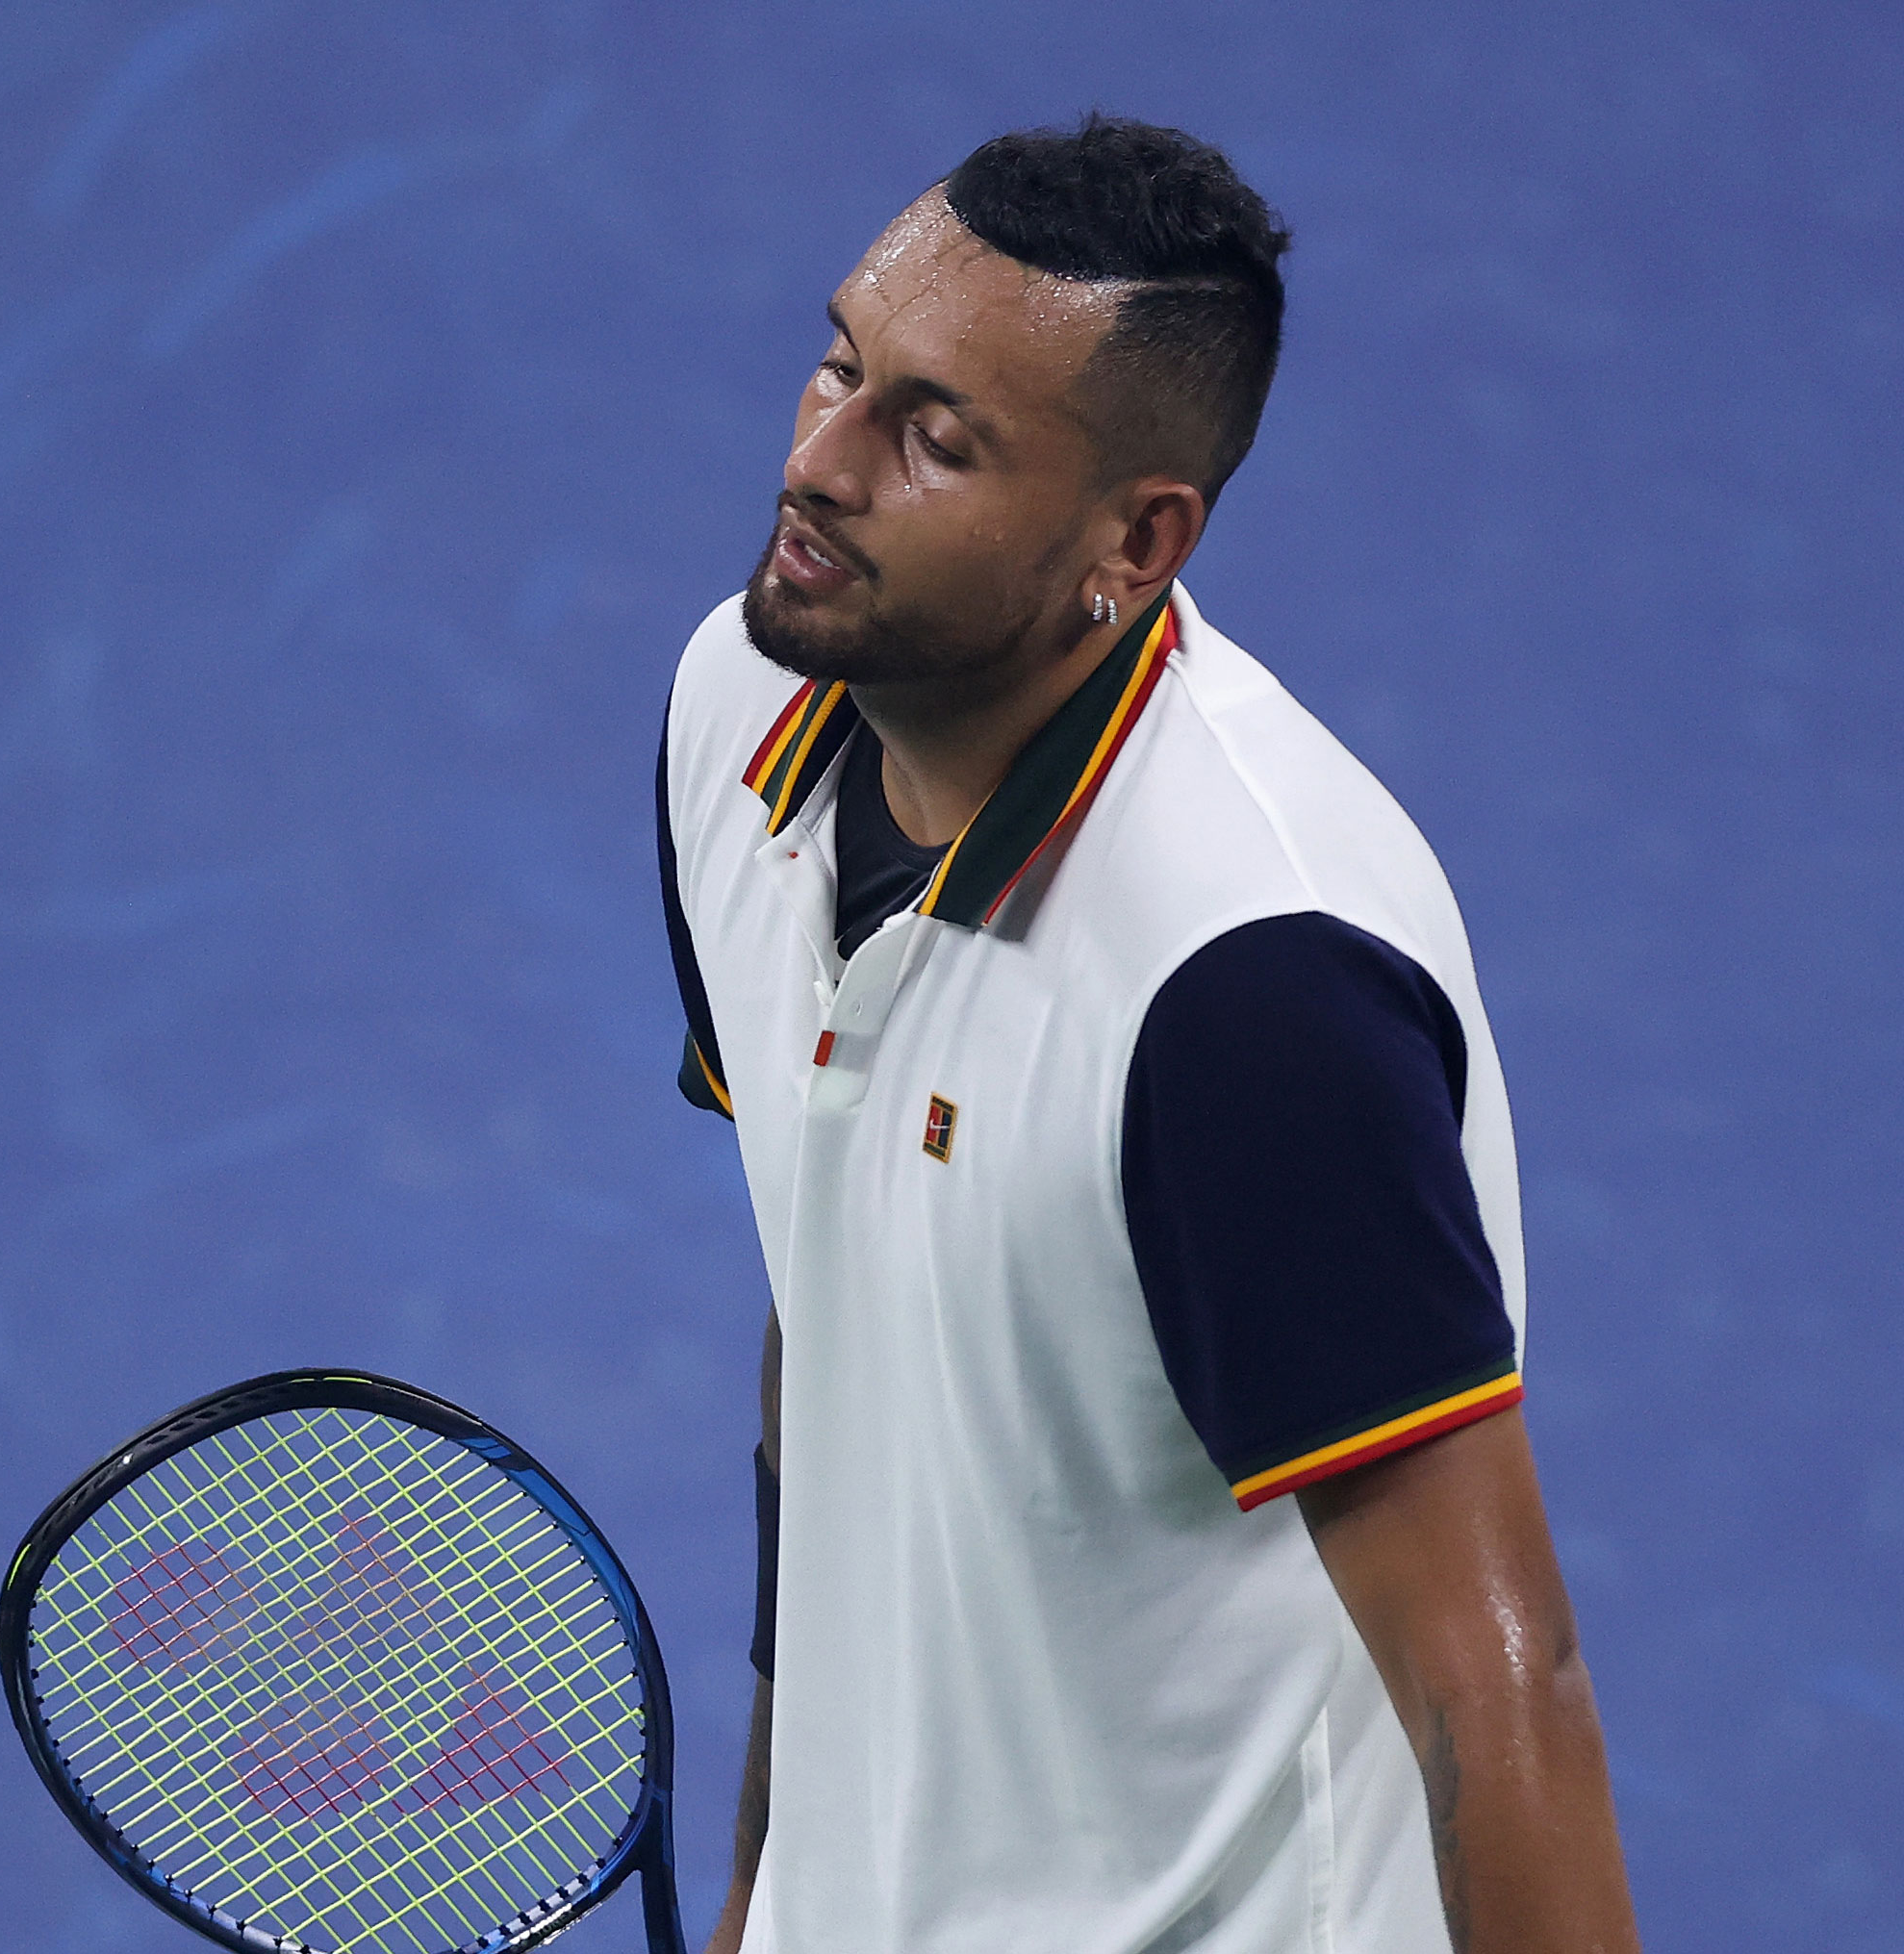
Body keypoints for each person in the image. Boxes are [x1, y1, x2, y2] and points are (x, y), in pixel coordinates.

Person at [654, 114, 1639, 1954]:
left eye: (933, 435)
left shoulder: (1245, 995)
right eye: (841, 366)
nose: (819, 461)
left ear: (1138, 537)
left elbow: (1497, 1688)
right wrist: (764, 1889)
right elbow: (837, 1304)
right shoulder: (737, 713)